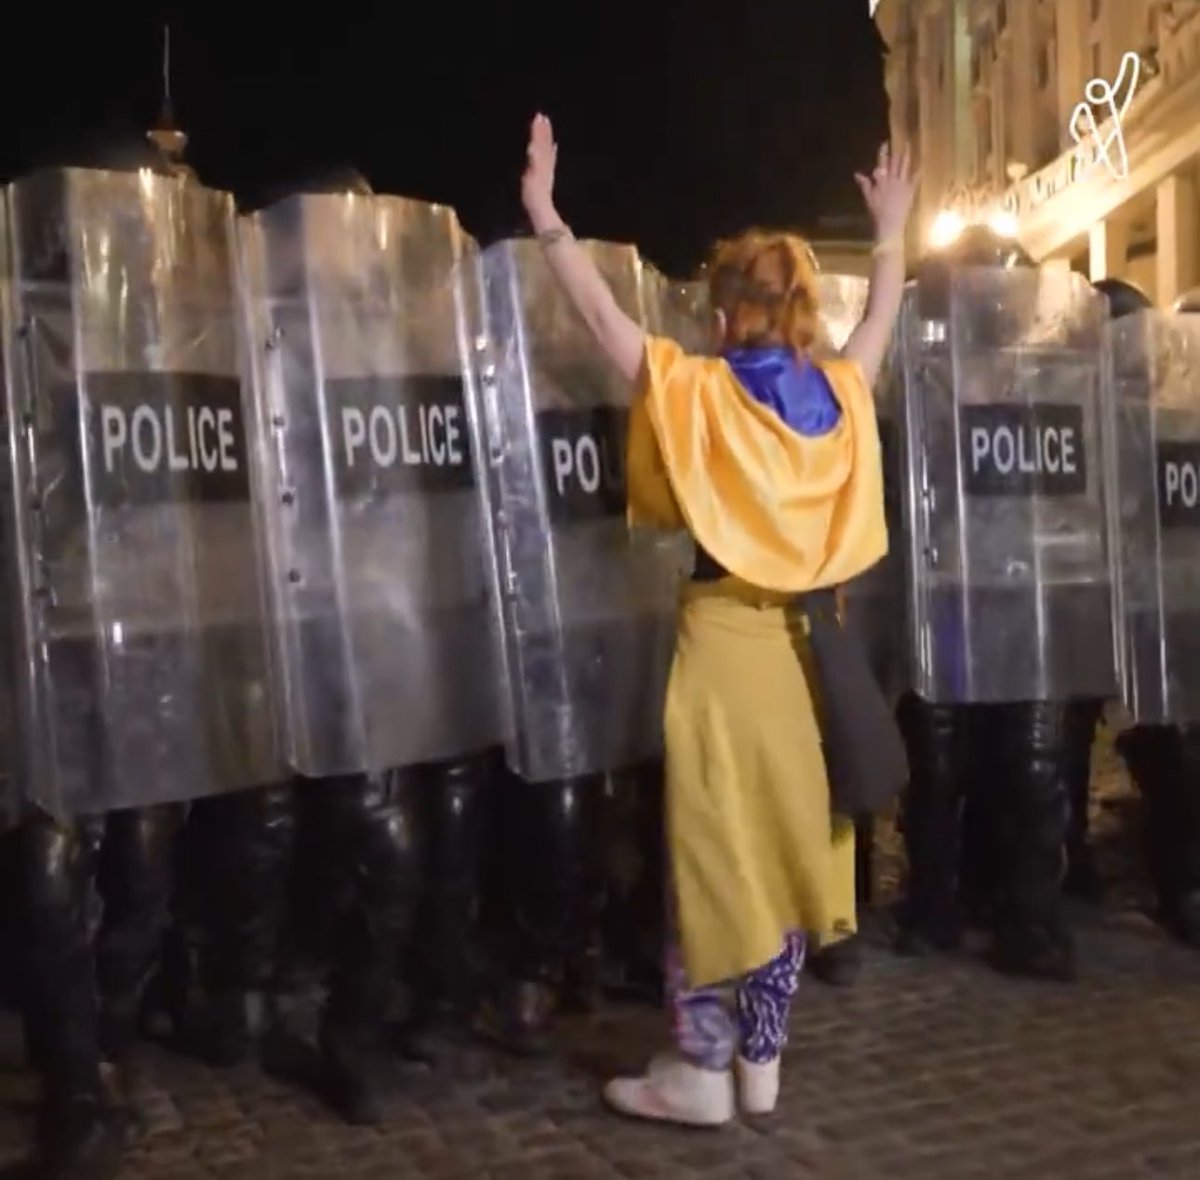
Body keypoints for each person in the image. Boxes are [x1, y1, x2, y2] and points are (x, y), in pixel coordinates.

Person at [517, 113, 914, 1125]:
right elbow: (878, 330)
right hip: (802, 656)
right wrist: (893, 238)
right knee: (785, 852)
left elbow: (608, 326)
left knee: (708, 853)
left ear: (730, 309)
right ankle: (763, 1064)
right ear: (801, 310)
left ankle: (700, 1065)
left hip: (720, 647)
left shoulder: (697, 392)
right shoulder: (836, 392)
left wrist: (547, 218)